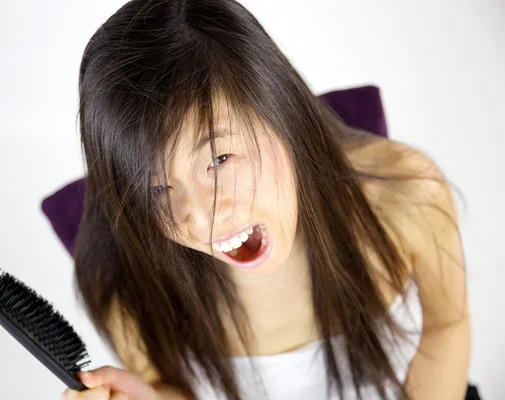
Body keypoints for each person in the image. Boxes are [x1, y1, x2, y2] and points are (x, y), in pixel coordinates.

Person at [62, 0, 471, 399]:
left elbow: (446, 328)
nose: (201, 219)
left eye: (220, 158)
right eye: (156, 189)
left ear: (282, 111)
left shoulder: (403, 191)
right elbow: (173, 387)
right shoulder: (123, 281)